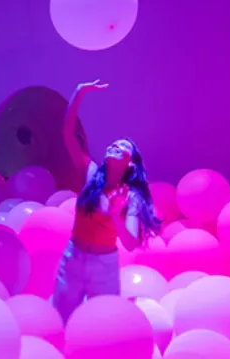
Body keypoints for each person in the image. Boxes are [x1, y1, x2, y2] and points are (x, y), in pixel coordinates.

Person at [52, 79, 162, 323]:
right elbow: (67, 134)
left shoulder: (130, 197)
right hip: (73, 258)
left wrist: (115, 215)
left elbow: (131, 243)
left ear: (130, 163)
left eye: (122, 146)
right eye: (113, 143)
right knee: (61, 320)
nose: (114, 145)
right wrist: (79, 92)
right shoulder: (91, 173)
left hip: (104, 266)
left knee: (103, 325)